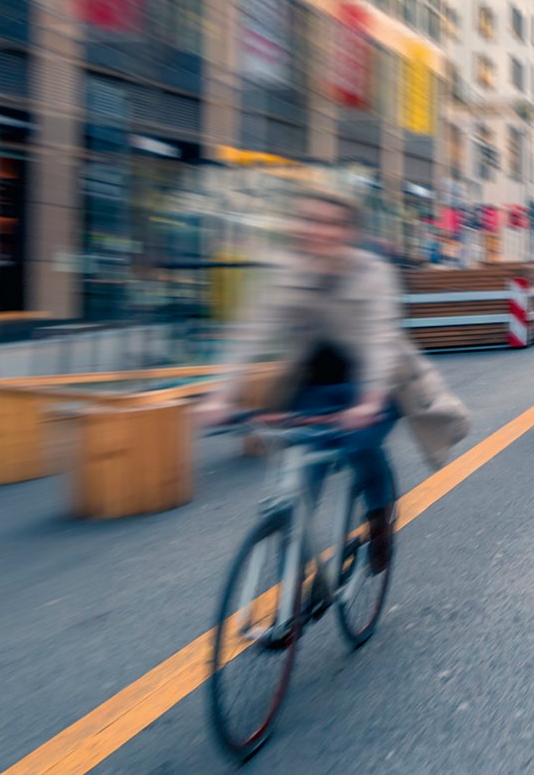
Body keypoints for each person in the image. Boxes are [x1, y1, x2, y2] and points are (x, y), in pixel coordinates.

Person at [197, 190, 470, 570]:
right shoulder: (288, 271)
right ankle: (291, 598)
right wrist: (220, 394)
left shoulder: (372, 272)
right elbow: (251, 332)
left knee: (361, 447)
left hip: (377, 383)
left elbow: (378, 339)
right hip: (314, 386)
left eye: (330, 223)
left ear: (348, 233)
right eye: (309, 221)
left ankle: (379, 519)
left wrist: (371, 400)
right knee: (300, 479)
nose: (317, 231)